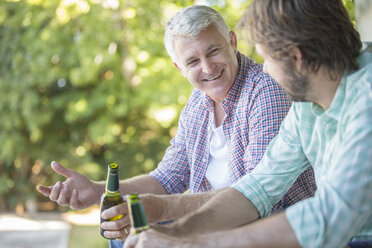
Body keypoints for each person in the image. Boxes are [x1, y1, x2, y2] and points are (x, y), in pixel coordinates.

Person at [37, 5, 316, 248]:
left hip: (265, 231)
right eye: (193, 61)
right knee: (123, 236)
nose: (207, 68)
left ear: (232, 41)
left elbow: (256, 196)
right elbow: (168, 178)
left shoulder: (265, 91)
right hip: (214, 225)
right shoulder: (197, 103)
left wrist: (161, 211)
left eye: (213, 51)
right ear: (179, 68)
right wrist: (99, 192)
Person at [124, 0, 372, 248]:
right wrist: (178, 232)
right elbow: (259, 185)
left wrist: (196, 243)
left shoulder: (367, 101)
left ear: (296, 57)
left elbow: (328, 218)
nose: (265, 70)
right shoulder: (306, 104)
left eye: (268, 59)